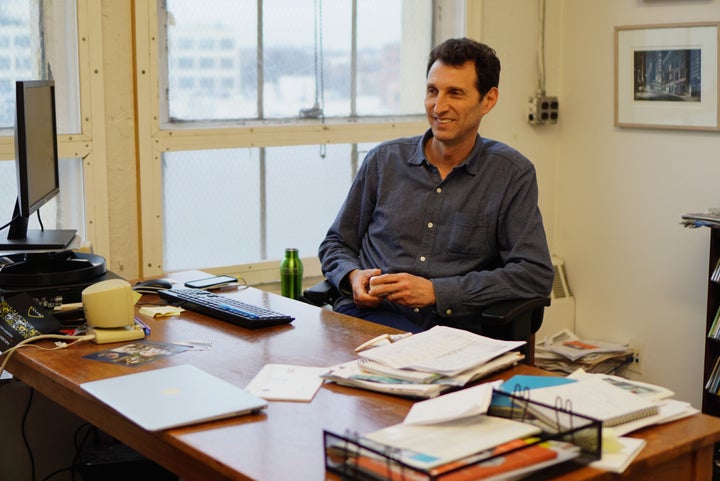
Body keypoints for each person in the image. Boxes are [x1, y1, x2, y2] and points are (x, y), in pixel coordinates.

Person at [318, 37, 553, 333]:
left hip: (454, 332)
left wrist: (437, 292)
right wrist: (352, 276)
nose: (438, 107)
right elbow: (336, 243)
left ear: (488, 100)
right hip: (371, 320)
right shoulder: (383, 160)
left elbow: (533, 274)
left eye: (455, 93)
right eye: (432, 91)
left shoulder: (511, 174)